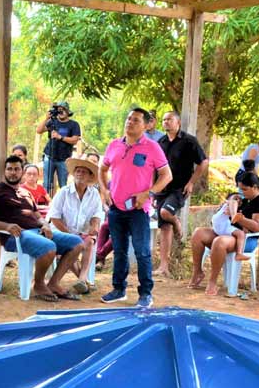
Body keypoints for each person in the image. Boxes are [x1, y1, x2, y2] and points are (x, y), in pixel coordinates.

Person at [0, 155, 84, 302]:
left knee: (77, 243)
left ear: (22, 172)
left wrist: (44, 224)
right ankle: (39, 285)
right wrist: (6, 226)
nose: (13, 172)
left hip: (37, 232)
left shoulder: (25, 193)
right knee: (49, 247)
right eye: (10, 169)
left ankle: (53, 283)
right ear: (4, 171)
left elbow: (37, 215)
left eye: (16, 169)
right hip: (14, 236)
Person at [99, 108, 172, 307]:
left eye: (136, 120)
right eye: (128, 118)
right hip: (116, 208)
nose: (130, 122)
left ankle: (146, 293)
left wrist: (148, 192)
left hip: (139, 209)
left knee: (142, 252)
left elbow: (167, 175)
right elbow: (102, 168)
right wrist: (105, 190)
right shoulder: (114, 145)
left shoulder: (152, 147)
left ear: (147, 125)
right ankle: (118, 289)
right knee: (120, 251)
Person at [189, 171, 259, 297]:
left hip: (245, 239)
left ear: (255, 187)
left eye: (245, 189)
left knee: (219, 242)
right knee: (198, 233)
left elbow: (258, 227)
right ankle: (197, 272)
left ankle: (213, 281)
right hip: (229, 232)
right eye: (240, 189)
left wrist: (240, 219)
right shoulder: (243, 199)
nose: (242, 192)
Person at [155, 110, 208, 277]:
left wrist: (192, 182)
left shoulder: (188, 140)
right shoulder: (160, 142)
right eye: (163, 120)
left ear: (178, 122)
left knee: (166, 213)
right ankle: (164, 266)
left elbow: (203, 162)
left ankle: (176, 221)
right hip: (162, 188)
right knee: (164, 226)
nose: (166, 122)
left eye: (169, 119)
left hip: (180, 188)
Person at [47, 157, 104, 294]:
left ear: (90, 176)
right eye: (77, 171)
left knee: (90, 241)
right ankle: (83, 280)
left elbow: (97, 215)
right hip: (60, 232)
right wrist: (69, 234)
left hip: (80, 233)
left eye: (84, 172)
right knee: (74, 243)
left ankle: (82, 278)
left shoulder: (94, 194)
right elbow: (54, 218)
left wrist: (95, 227)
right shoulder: (64, 192)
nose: (79, 174)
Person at [35, 101, 81, 194]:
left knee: (63, 184)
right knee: (47, 183)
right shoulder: (52, 122)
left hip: (64, 159)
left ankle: (63, 205)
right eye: (59, 110)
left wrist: (61, 137)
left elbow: (75, 139)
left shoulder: (73, 124)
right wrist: (46, 118)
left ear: (68, 111)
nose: (61, 112)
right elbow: (39, 130)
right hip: (49, 156)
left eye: (63, 109)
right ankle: (46, 204)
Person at [209, 194, 249, 262]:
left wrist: (244, 227)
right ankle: (234, 217)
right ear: (227, 199)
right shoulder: (228, 204)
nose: (238, 200)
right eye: (236, 198)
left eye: (240, 200)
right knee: (233, 203)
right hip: (219, 222)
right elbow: (231, 205)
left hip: (223, 226)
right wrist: (232, 203)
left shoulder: (235, 210)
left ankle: (239, 254)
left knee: (241, 234)